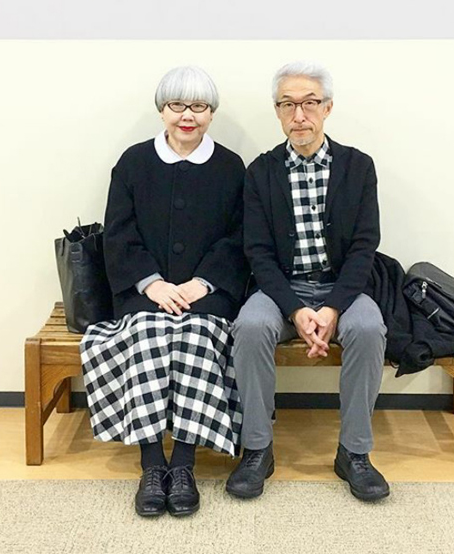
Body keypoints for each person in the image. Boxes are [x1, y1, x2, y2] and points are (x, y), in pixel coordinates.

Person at [80, 66, 248, 518]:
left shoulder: (231, 167)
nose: (187, 116)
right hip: (143, 290)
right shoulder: (134, 162)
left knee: (195, 338)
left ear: (211, 113)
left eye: (198, 106)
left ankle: (185, 465)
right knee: (148, 335)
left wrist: (201, 283)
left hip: (207, 292)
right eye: (177, 105)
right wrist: (151, 284)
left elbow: (238, 238)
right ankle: (153, 464)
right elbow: (119, 232)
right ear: (162, 110)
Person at [226, 61, 389, 502]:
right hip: (280, 289)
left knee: (369, 328)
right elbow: (257, 252)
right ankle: (257, 448)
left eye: (309, 103)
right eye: (288, 105)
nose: (299, 115)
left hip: (343, 289)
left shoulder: (358, 167)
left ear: (327, 108)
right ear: (278, 112)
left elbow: (364, 246)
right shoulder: (261, 172)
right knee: (250, 326)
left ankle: (354, 452)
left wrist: (333, 307)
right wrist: (296, 310)